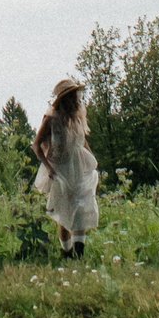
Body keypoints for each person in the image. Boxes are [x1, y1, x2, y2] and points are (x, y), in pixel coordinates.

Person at [32, 78, 99, 257]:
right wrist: (48, 168)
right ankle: (67, 252)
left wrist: (93, 164)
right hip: (61, 169)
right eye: (74, 96)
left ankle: (79, 253)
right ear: (66, 98)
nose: (78, 100)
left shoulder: (77, 118)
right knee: (65, 212)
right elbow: (36, 145)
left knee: (81, 209)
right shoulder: (51, 118)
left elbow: (82, 143)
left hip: (79, 167)